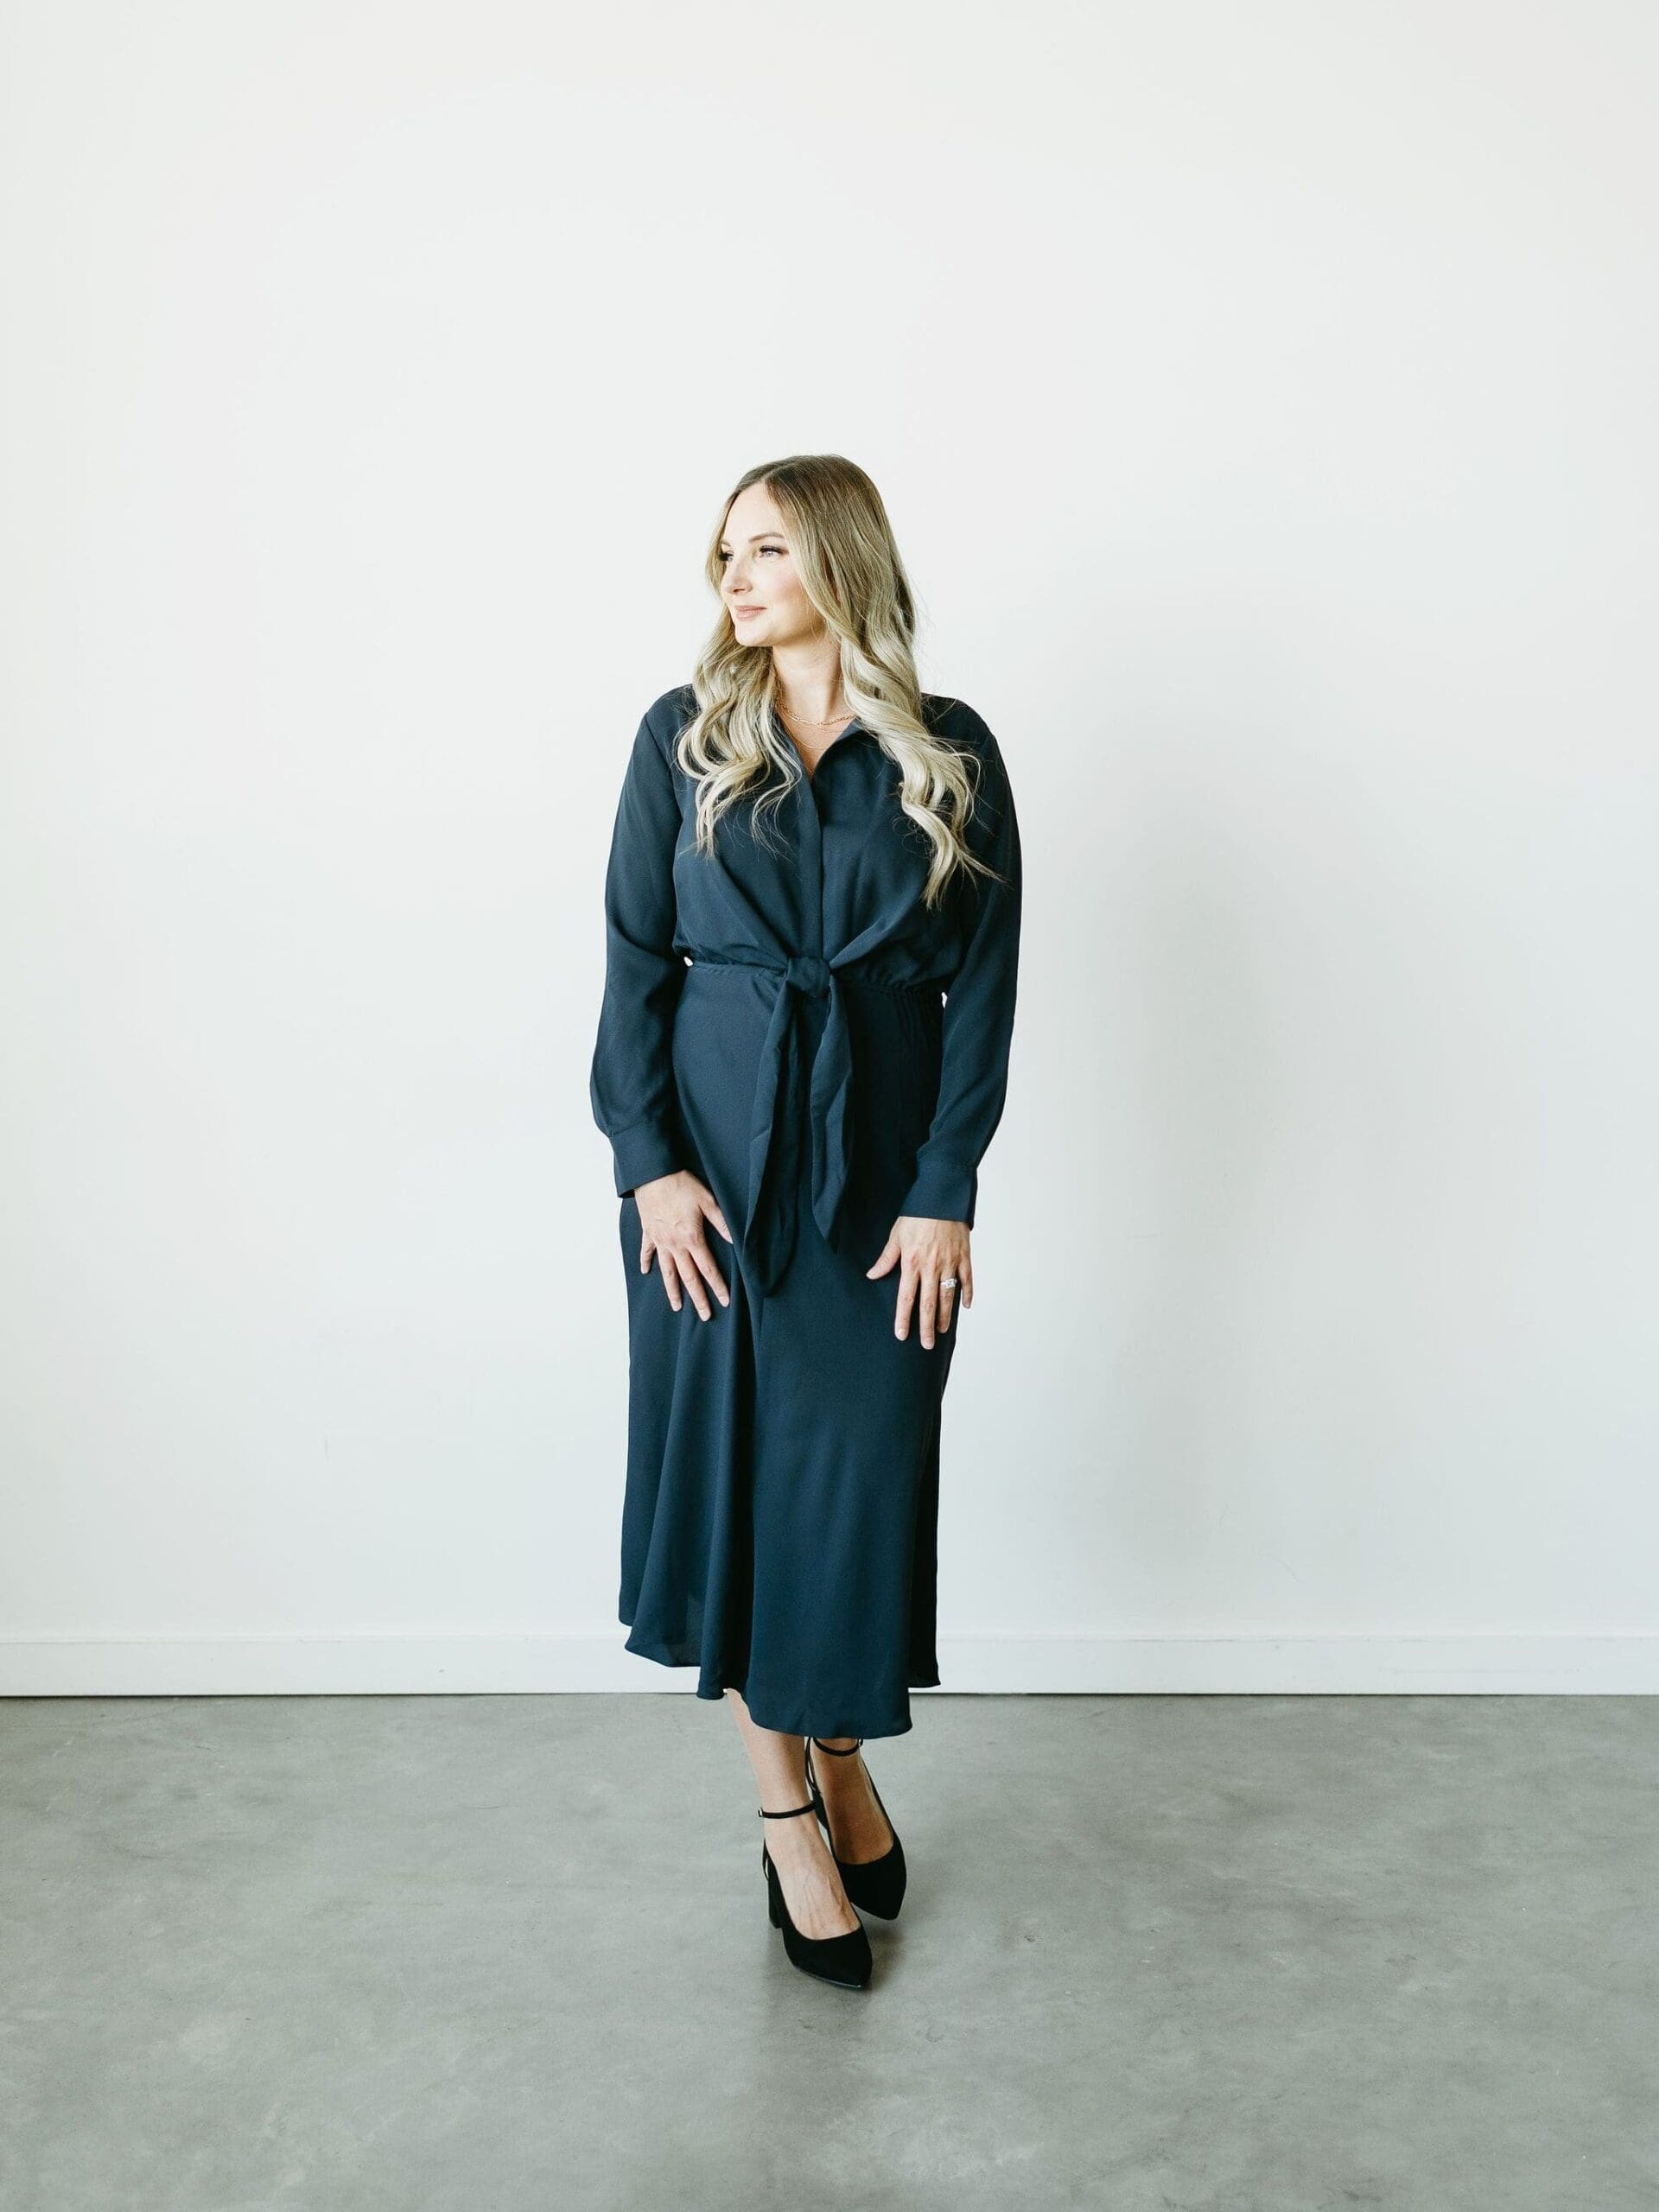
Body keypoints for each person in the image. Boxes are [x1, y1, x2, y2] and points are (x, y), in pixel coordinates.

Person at [589, 454, 1023, 1990]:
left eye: (765, 549)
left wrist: (942, 1192)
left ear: (839, 557)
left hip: (879, 1200)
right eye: (723, 556)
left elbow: (984, 1000)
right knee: (735, 1517)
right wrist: (649, 1164)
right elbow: (635, 964)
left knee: (848, 1509)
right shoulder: (684, 739)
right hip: (707, 1191)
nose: (735, 579)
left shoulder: (949, 753)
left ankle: (842, 1763)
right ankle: (790, 1820)